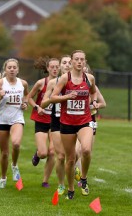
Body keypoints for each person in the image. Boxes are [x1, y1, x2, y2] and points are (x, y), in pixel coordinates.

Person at [50, 50, 99, 200]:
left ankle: (83, 179)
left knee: (86, 150)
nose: (79, 62)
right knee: (70, 159)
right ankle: (70, 188)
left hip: (84, 121)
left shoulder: (89, 78)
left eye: (82, 60)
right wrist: (67, 96)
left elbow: (93, 92)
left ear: (84, 62)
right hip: (67, 123)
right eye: (76, 59)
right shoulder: (65, 78)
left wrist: (94, 101)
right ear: (71, 62)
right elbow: (53, 97)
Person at [0, 58, 29, 189]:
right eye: (9, 67)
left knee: (16, 144)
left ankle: (14, 165)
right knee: (4, 153)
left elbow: (26, 96)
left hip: (17, 118)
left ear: (18, 70)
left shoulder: (23, 83)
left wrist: (25, 103)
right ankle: (3, 177)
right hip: (2, 120)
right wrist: (0, 96)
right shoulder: (0, 83)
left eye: (14, 67)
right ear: (5, 70)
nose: (12, 69)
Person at [40, 55, 72, 196]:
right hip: (58, 122)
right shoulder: (53, 83)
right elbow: (43, 103)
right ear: (59, 66)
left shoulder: (81, 81)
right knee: (60, 156)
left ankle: (76, 173)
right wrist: (53, 99)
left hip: (75, 122)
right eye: (63, 63)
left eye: (69, 62)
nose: (66, 65)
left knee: (75, 154)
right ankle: (61, 184)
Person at [26, 57, 59, 188]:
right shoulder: (41, 83)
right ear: (47, 68)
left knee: (52, 152)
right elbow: (29, 98)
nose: (55, 69)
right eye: (52, 67)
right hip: (41, 120)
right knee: (44, 153)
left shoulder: (63, 82)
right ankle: (38, 153)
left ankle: (45, 181)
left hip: (55, 121)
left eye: (57, 67)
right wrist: (37, 107)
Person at [74, 63, 106, 184]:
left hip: (90, 121)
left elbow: (103, 103)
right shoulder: (73, 85)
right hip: (76, 120)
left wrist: (96, 104)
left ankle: (82, 178)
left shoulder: (94, 88)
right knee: (76, 151)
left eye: (86, 71)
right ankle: (73, 168)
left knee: (86, 151)